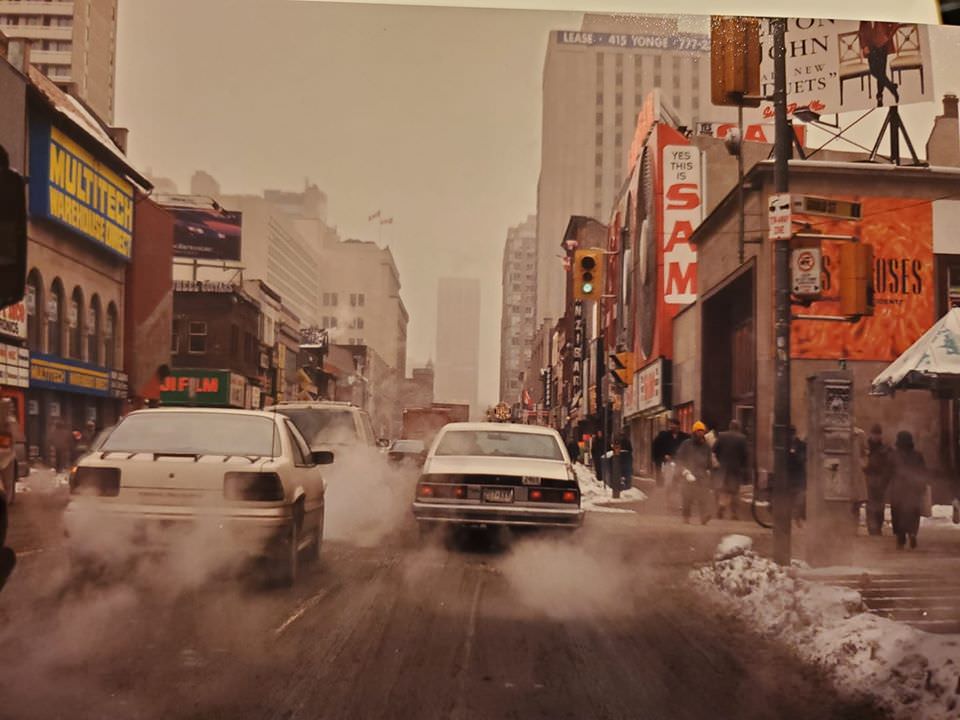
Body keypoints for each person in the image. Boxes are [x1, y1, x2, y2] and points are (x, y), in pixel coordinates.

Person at [889, 430, 927, 550]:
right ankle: (912, 533)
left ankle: (900, 537)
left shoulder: (894, 455)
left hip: (898, 489)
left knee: (898, 513)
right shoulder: (918, 455)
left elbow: (888, 472)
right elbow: (923, 472)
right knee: (913, 513)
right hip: (913, 489)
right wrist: (922, 486)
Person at [677, 421, 713, 525]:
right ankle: (686, 516)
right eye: (698, 431)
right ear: (694, 432)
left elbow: (709, 461)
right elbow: (679, 459)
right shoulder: (686, 444)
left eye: (702, 431)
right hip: (689, 475)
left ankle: (704, 516)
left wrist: (709, 471)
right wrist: (684, 471)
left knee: (703, 497)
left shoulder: (706, 446)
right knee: (687, 497)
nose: (701, 433)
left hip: (702, 476)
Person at [858, 21, 901, 107]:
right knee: (874, 71)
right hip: (870, 47)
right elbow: (861, 31)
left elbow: (896, 24)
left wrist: (887, 36)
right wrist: (864, 46)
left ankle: (879, 97)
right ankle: (892, 87)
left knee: (881, 72)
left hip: (882, 45)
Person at [713, 420, 748, 520]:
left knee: (724, 490)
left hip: (723, 468)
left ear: (730, 426)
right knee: (734, 492)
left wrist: (719, 461)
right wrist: (743, 467)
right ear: (738, 427)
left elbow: (714, 450)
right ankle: (734, 513)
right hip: (735, 469)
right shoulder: (742, 438)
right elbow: (745, 455)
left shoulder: (722, 436)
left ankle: (721, 507)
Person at [863, 424, 894, 536]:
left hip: (880, 479)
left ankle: (877, 527)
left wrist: (886, 479)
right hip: (870, 477)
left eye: (878, 434)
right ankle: (872, 527)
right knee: (871, 504)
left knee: (879, 505)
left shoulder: (884, 449)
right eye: (875, 434)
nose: (876, 436)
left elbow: (889, 465)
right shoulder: (866, 447)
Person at [652, 417, 689, 487]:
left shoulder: (684, 436)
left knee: (680, 480)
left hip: (680, 462)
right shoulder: (664, 436)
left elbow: (688, 447)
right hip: (668, 462)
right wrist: (664, 456)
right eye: (671, 425)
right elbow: (658, 447)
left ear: (678, 426)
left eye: (674, 425)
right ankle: (668, 493)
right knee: (668, 481)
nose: (672, 427)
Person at [787, 426, 807, 527]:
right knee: (792, 497)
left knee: (799, 498)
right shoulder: (785, 445)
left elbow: (802, 459)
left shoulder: (801, 445)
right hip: (790, 476)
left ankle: (797, 518)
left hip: (798, 475)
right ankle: (793, 518)